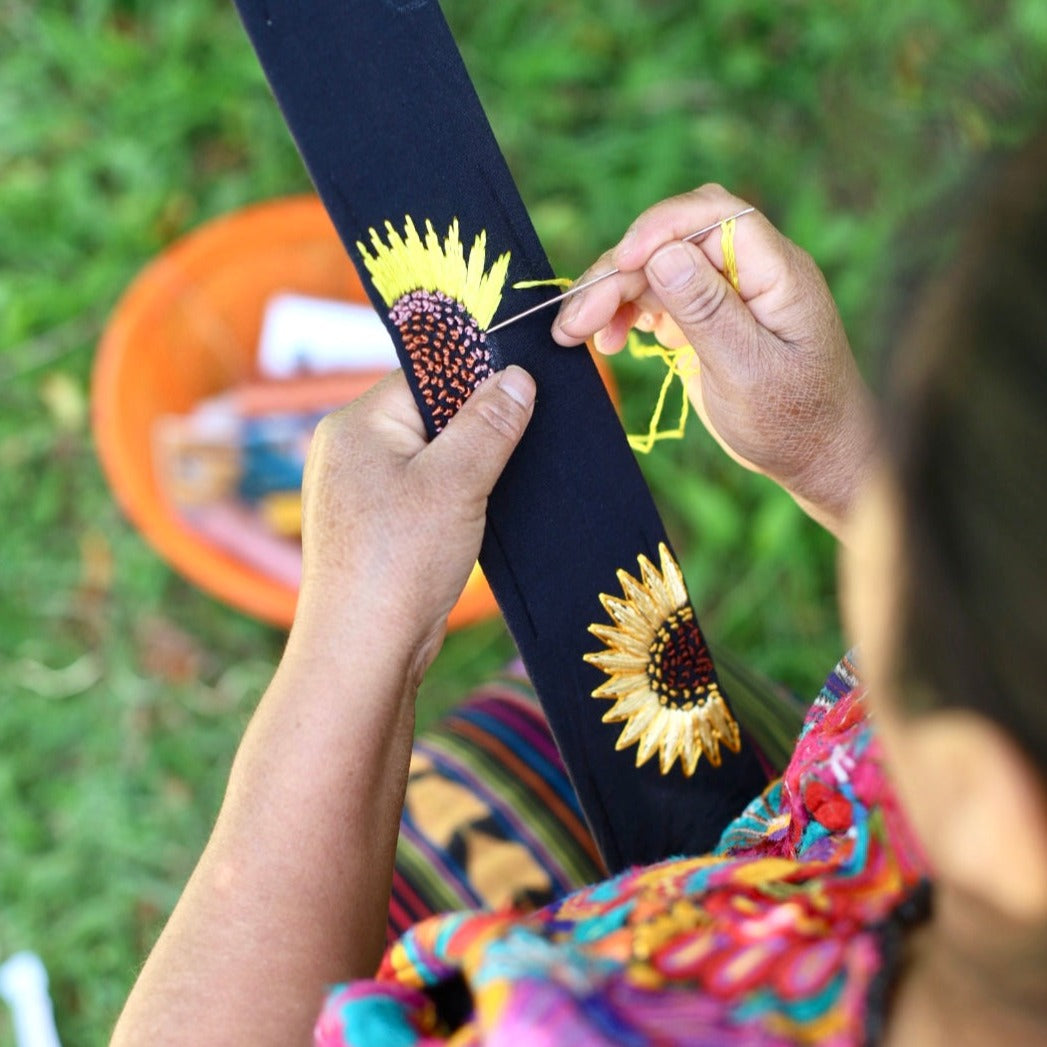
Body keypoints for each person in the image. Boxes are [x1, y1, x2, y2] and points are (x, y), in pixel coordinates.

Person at [110, 138, 1047, 1045]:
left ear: (984, 795)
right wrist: (848, 461)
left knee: (488, 752)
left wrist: (358, 634)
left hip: (688, 919)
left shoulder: (552, 1019)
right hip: (802, 855)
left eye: (929, 517)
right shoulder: (990, 822)